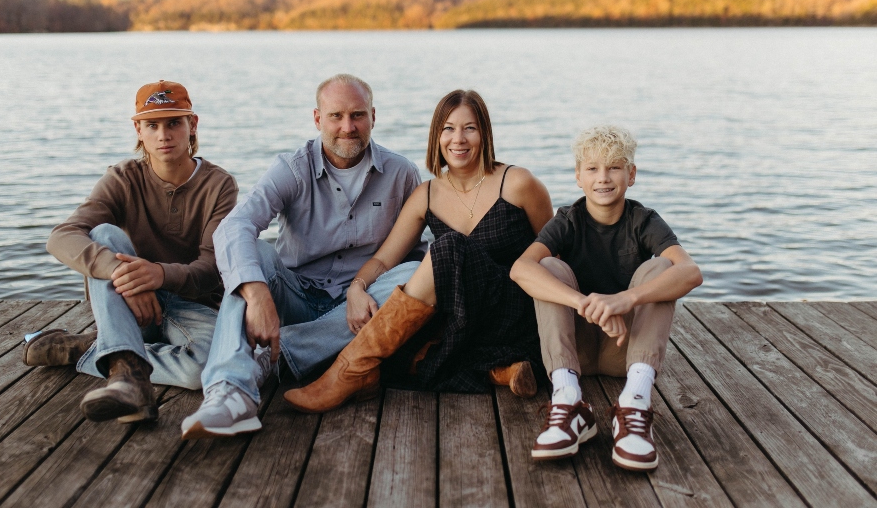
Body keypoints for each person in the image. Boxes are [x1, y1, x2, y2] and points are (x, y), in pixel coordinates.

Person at [180, 74, 425, 439]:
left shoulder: (401, 173)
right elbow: (234, 227)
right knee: (253, 256)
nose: (347, 127)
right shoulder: (292, 169)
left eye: (357, 115)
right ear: (317, 119)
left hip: (358, 307)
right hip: (294, 295)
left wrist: (365, 288)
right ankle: (230, 392)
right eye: (335, 116)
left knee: (417, 271)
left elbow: (414, 251)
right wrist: (257, 293)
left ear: (373, 116)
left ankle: (270, 357)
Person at [284, 89, 553, 413]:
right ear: (436, 136)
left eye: (470, 128)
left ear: (484, 133)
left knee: (449, 247)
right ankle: (499, 370)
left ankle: (346, 373)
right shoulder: (426, 195)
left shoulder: (518, 182)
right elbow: (384, 259)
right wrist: (357, 287)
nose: (459, 139)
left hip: (516, 312)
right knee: (405, 331)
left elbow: (554, 256)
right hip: (466, 319)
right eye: (448, 128)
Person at [25, 80, 238, 424]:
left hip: (191, 304)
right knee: (104, 233)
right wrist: (121, 273)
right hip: (131, 303)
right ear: (138, 130)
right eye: (152, 125)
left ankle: (95, 351)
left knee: (201, 370)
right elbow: (61, 237)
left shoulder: (219, 185)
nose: (163, 134)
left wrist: (159, 275)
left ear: (192, 125)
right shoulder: (123, 178)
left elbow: (212, 268)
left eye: (173, 123)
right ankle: (127, 374)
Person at [510, 125, 702, 471]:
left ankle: (635, 402)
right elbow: (521, 269)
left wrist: (625, 300)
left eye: (614, 167)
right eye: (593, 168)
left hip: (625, 350)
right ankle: (568, 401)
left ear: (631, 175)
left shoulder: (643, 220)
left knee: (662, 269)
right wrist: (585, 303)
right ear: (578, 177)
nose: (603, 178)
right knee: (547, 266)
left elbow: (690, 272)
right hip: (575, 352)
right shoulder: (568, 219)